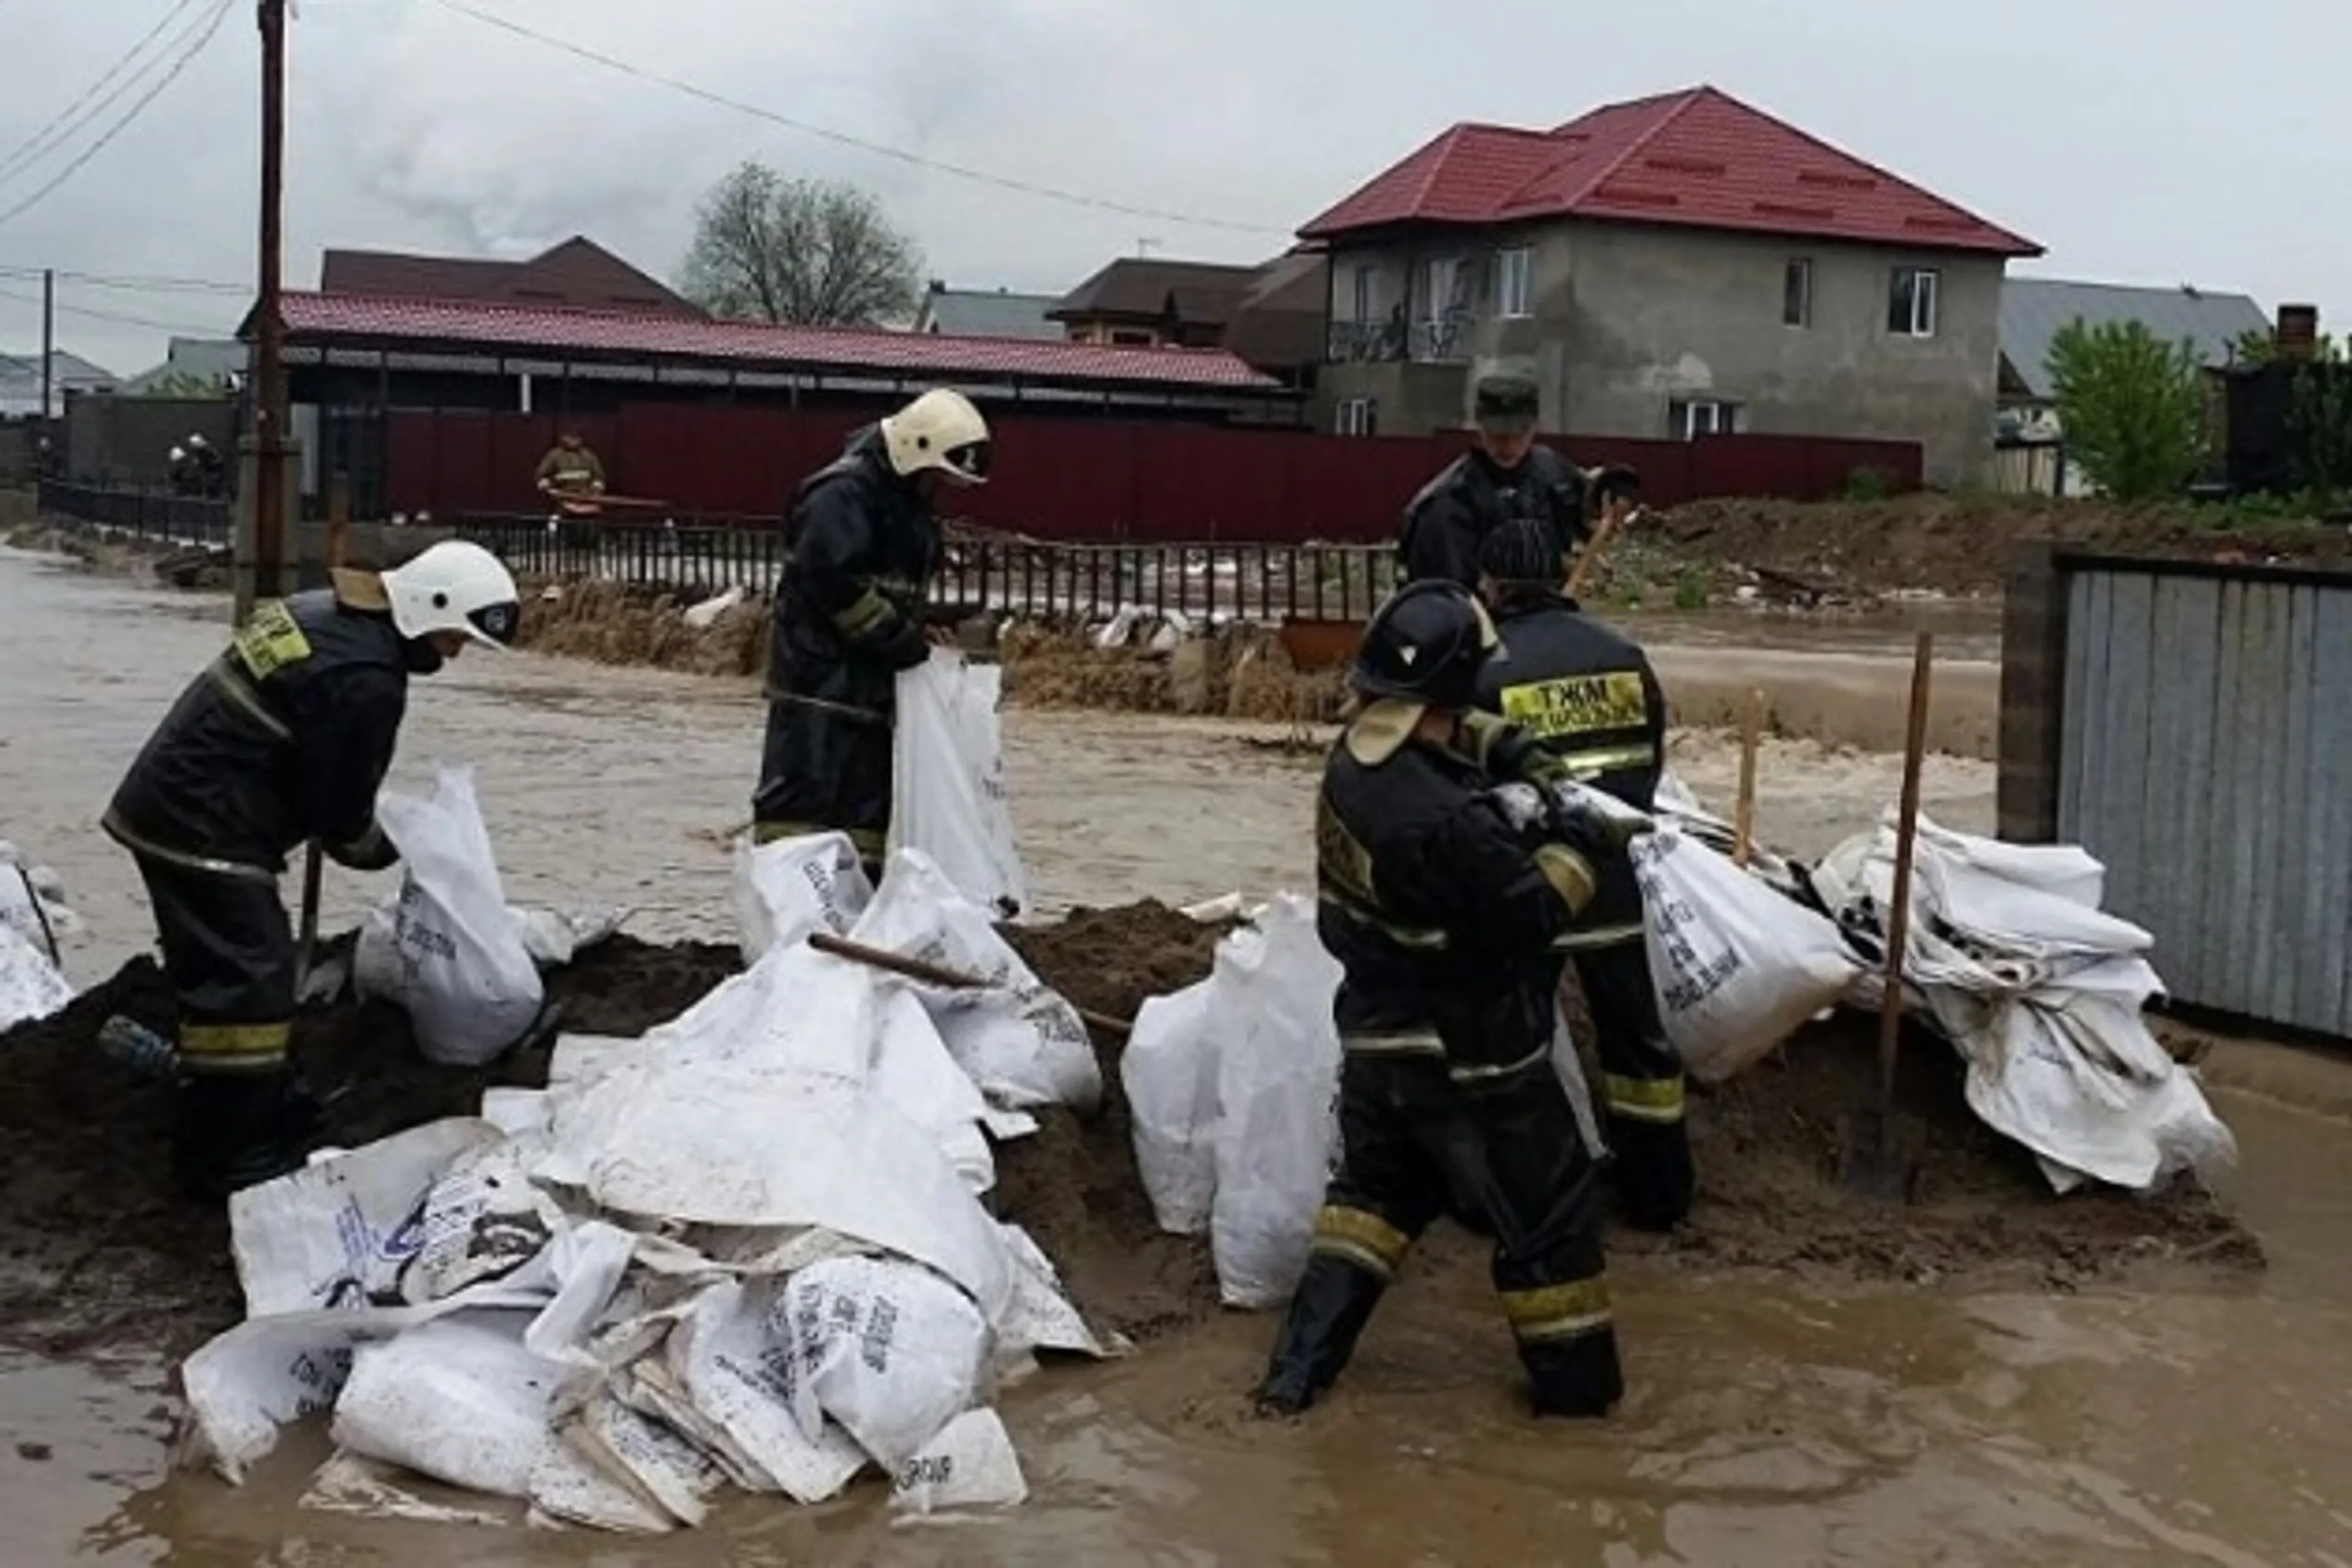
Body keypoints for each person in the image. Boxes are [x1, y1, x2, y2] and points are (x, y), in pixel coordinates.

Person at [1255, 578, 1645, 1420]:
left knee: (1372, 1203)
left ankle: (1290, 1387)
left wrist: (1525, 761)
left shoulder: (1356, 763)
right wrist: (1586, 845)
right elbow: (1532, 916)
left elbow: (1453, 728)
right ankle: (1581, 1409)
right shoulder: (1446, 821)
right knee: (1550, 1224)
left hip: (1378, 1042)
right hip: (1477, 1061)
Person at [101, 541, 524, 1200]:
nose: (453, 652)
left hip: (175, 806)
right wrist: (391, 849)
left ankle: (238, 1104)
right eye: (452, 637)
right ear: (426, 607)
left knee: (223, 976)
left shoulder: (322, 611)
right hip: (204, 825)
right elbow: (341, 810)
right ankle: (230, 1156)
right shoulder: (366, 677)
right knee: (254, 987)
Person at [1473, 518, 1692, 1231]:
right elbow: (1650, 765)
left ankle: (1539, 1196)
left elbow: (1473, 791)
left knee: (1519, 1044)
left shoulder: (1488, 668)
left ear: (1493, 584)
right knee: (1637, 1041)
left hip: (1528, 886)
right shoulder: (1623, 655)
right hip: (1616, 875)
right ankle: (1661, 1197)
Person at [751, 387, 991, 882]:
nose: (941, 488)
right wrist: (900, 640)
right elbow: (832, 583)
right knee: (801, 815)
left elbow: (886, 585)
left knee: (863, 825)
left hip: (867, 692)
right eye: (939, 477)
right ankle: (791, 917)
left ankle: (854, 916)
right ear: (916, 451)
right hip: (818, 691)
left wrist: (915, 628)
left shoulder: (898, 499)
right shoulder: (841, 496)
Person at [1398, 374, 1591, 590]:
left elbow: (1592, 503)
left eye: (1519, 434)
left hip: (1546, 613)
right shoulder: (1446, 506)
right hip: (1476, 619)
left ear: (1536, 426)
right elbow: (1443, 598)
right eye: (1497, 435)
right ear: (1479, 426)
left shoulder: (1553, 474)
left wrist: (1616, 486)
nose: (1508, 446)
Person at [534, 431, 606, 503]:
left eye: (576, 438)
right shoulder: (554, 455)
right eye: (570, 438)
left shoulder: (588, 455)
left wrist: (597, 484)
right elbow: (543, 474)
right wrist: (545, 484)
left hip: (585, 495)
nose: (573, 441)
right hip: (561, 495)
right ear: (563, 438)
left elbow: (598, 475)